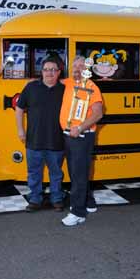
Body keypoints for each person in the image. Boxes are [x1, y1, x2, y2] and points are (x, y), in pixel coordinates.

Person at [15, 57, 66, 212]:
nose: (49, 72)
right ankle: (35, 199)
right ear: (41, 71)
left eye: (53, 69)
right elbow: (19, 109)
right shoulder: (31, 88)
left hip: (56, 140)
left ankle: (56, 199)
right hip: (34, 140)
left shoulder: (65, 90)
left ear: (58, 72)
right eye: (46, 69)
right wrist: (20, 130)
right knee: (34, 172)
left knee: (56, 173)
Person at [59, 56, 104, 226]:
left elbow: (98, 114)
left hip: (82, 136)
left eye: (81, 65)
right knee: (76, 171)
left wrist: (81, 128)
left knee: (78, 173)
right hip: (69, 134)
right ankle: (89, 202)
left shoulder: (92, 87)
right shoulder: (69, 82)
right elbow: (51, 80)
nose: (77, 68)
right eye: (74, 65)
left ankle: (78, 212)